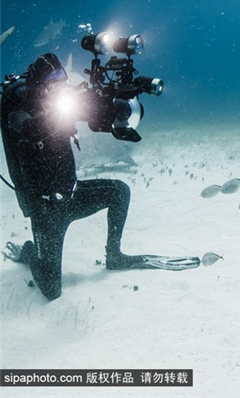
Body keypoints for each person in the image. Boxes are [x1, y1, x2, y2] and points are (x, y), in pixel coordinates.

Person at [0, 53, 197, 301]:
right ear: (39, 87)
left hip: (72, 194)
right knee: (51, 290)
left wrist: (118, 105)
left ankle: (114, 255)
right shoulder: (17, 106)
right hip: (45, 210)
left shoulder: (59, 103)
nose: (59, 92)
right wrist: (62, 114)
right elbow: (28, 129)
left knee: (119, 191)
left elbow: (96, 116)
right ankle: (31, 253)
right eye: (54, 86)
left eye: (63, 85)